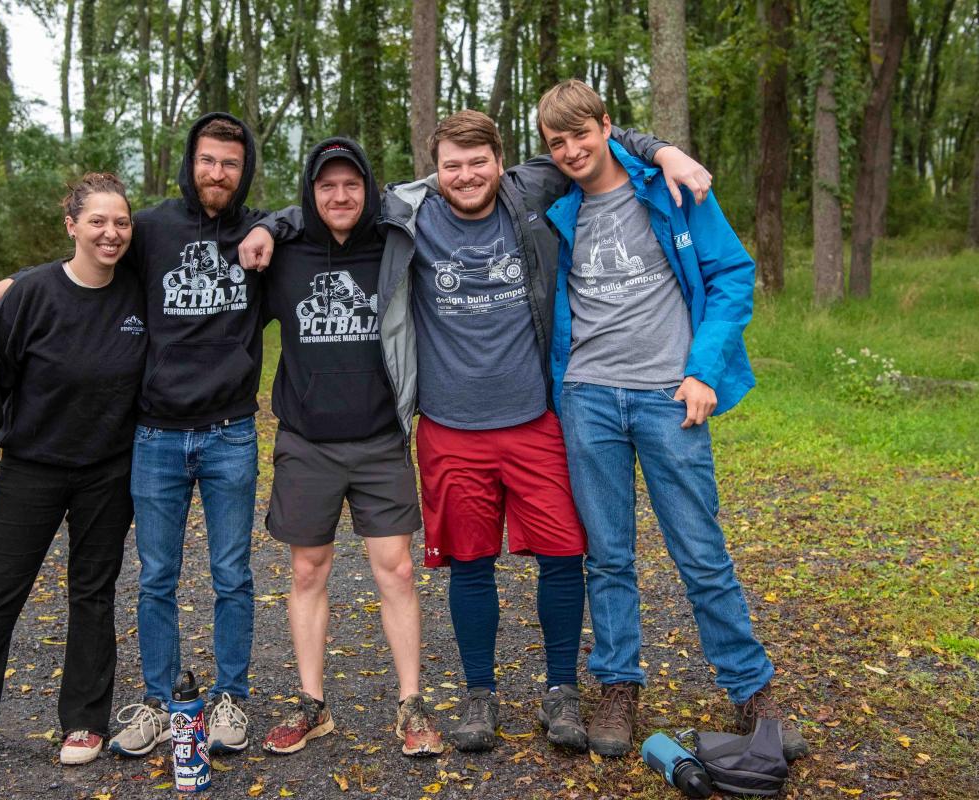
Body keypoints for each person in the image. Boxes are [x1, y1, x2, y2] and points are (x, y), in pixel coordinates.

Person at [242, 112, 708, 754]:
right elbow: (328, 205)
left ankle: (561, 691)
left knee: (562, 556)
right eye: (452, 165)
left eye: (478, 161)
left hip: (535, 417)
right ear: (435, 170)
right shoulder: (408, 210)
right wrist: (267, 224)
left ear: (500, 159)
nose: (466, 176)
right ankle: (479, 693)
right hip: (450, 426)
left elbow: (597, 138)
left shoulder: (532, 188)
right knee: (469, 561)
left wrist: (664, 152)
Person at [0, 113, 267, 757]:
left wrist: (274, 224)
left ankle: (230, 697)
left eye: (230, 163)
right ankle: (157, 701)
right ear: (190, 162)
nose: (217, 173)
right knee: (155, 577)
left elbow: (318, 224)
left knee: (231, 574)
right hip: (154, 436)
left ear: (245, 172)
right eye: (207, 160)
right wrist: (20, 284)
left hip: (230, 431)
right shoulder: (150, 228)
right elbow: (91, 254)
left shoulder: (262, 233)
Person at [538, 79, 809, 761]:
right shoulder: (553, 205)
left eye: (581, 134)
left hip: (669, 396)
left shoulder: (672, 190)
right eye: (556, 141)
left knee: (701, 551)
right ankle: (617, 685)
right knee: (608, 556)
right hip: (587, 397)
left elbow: (732, 276)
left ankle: (751, 689)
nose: (571, 150)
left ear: (607, 125)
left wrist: (703, 370)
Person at [0, 173, 145, 777]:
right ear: (71, 226)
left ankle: (85, 721)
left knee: (93, 595)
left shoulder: (138, 292)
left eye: (121, 222)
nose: (110, 232)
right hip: (31, 469)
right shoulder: (30, 295)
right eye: (97, 221)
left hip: (109, 472)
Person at [249, 138, 442, 757]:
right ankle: (313, 704)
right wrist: (270, 225)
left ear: (368, 190)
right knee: (308, 570)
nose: (339, 196)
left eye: (351, 185)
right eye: (326, 186)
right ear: (311, 192)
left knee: (398, 570)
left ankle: (411, 703)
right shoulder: (283, 253)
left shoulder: (393, 245)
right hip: (307, 441)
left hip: (381, 437)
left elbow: (447, 189)